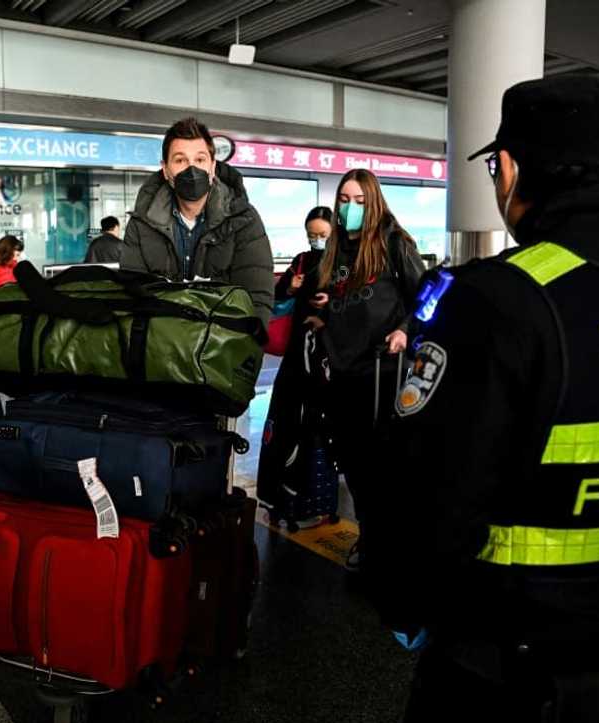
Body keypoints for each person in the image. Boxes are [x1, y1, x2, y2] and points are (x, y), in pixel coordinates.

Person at [376, 76, 599, 723]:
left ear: (509, 169)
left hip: (502, 677)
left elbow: (433, 512)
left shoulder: (499, 300)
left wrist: (400, 600)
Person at [309, 170, 424, 572]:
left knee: (382, 465)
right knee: (354, 462)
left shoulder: (394, 243)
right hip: (342, 371)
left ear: (373, 201)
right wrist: (321, 315)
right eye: (344, 199)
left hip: (382, 372)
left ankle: (385, 543)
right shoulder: (335, 249)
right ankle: (372, 537)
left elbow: (426, 299)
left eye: (359, 200)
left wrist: (405, 330)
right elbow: (333, 297)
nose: (350, 208)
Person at [121, 117, 274, 326]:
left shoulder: (244, 220)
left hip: (222, 349)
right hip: (161, 349)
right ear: (165, 170)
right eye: (180, 160)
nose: (191, 169)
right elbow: (131, 297)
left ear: (212, 167)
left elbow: (257, 301)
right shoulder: (141, 224)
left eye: (200, 160)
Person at [256, 206, 334, 523]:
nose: (316, 241)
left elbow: (354, 298)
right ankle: (281, 496)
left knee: (318, 427)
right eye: (312, 235)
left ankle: (311, 498)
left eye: (322, 235)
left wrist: (330, 306)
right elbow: (278, 295)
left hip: (327, 355)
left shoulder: (342, 263)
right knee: (287, 420)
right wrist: (290, 288)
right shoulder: (301, 260)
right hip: (297, 354)